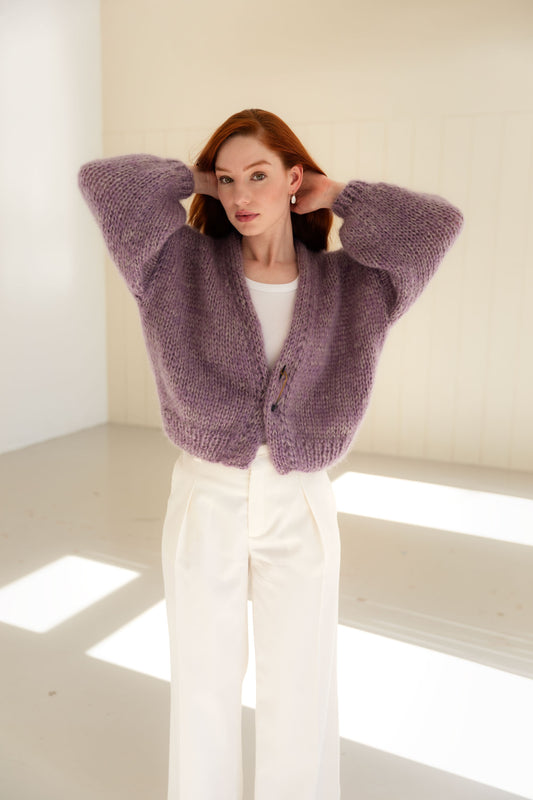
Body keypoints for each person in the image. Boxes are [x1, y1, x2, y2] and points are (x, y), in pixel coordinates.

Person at [78, 108, 463, 800]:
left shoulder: (357, 283)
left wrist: (339, 192)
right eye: (228, 181)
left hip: (301, 498)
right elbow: (105, 183)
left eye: (259, 176)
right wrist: (201, 182)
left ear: (294, 178)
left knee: (300, 682)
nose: (241, 196)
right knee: (202, 680)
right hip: (206, 494)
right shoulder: (172, 264)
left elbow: (435, 226)